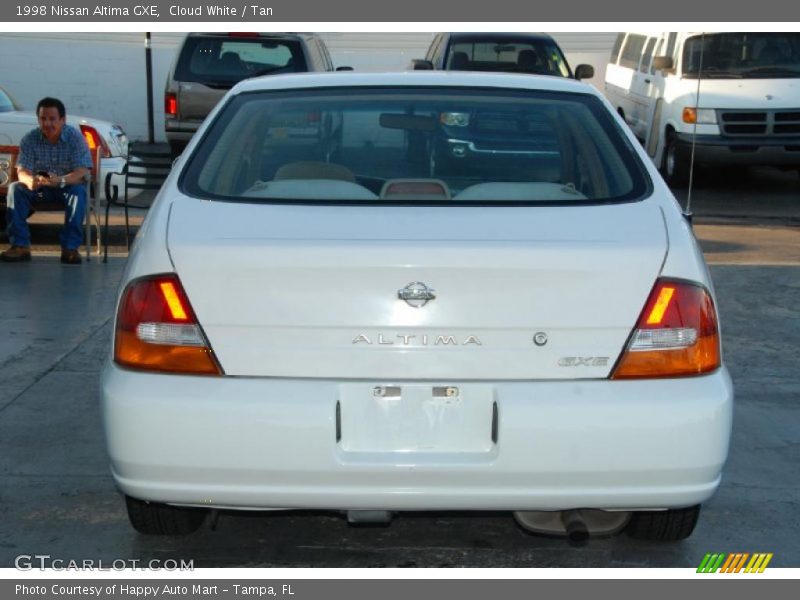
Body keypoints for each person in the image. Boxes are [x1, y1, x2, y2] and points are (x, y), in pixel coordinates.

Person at [1, 97, 93, 264]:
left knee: (78, 192)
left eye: (52, 119)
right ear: (38, 119)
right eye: (43, 119)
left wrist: (61, 180)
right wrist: (30, 180)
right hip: (40, 188)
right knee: (16, 188)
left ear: (63, 120)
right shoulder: (30, 138)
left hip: (66, 187)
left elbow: (82, 171)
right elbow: (21, 170)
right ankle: (20, 246)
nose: (47, 124)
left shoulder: (75, 138)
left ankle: (70, 248)